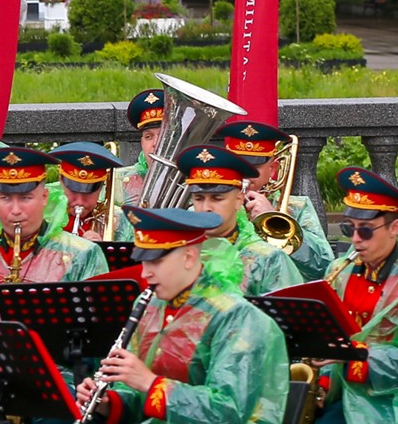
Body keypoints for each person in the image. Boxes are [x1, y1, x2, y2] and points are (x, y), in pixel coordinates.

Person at [74, 204, 288, 424]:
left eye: (155, 261)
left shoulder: (237, 317)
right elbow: (141, 401)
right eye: (143, 261)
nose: (145, 273)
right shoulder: (150, 305)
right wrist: (109, 403)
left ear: (189, 257)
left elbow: (229, 412)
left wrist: (150, 383)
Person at [0, 146, 106, 322]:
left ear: (44, 197)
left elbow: (99, 327)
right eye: (5, 198)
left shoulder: (83, 254)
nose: (16, 210)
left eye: (26, 198)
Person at [315, 166, 398, 424]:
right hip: (341, 395)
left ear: (395, 227)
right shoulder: (339, 271)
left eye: (366, 230)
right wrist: (322, 385)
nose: (356, 240)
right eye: (349, 229)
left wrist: (354, 355)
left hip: (387, 403)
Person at [170, 145, 302, 295]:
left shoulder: (268, 259)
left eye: (217, 198)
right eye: (199, 198)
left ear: (239, 200)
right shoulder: (176, 252)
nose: (206, 208)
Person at [216, 119, 334, 280]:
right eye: (237, 166)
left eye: (253, 168)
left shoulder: (298, 207)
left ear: (272, 169)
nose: (244, 175)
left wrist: (273, 217)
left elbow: (324, 266)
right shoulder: (209, 204)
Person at [48, 141, 125, 241]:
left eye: (89, 192)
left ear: (102, 187)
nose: (80, 201)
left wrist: (102, 248)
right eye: (73, 190)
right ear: (61, 181)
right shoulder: (42, 213)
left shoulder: (122, 222)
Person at [117, 89, 166, 208]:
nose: (156, 143)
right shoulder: (117, 181)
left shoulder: (191, 181)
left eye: (163, 135)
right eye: (148, 137)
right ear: (142, 143)